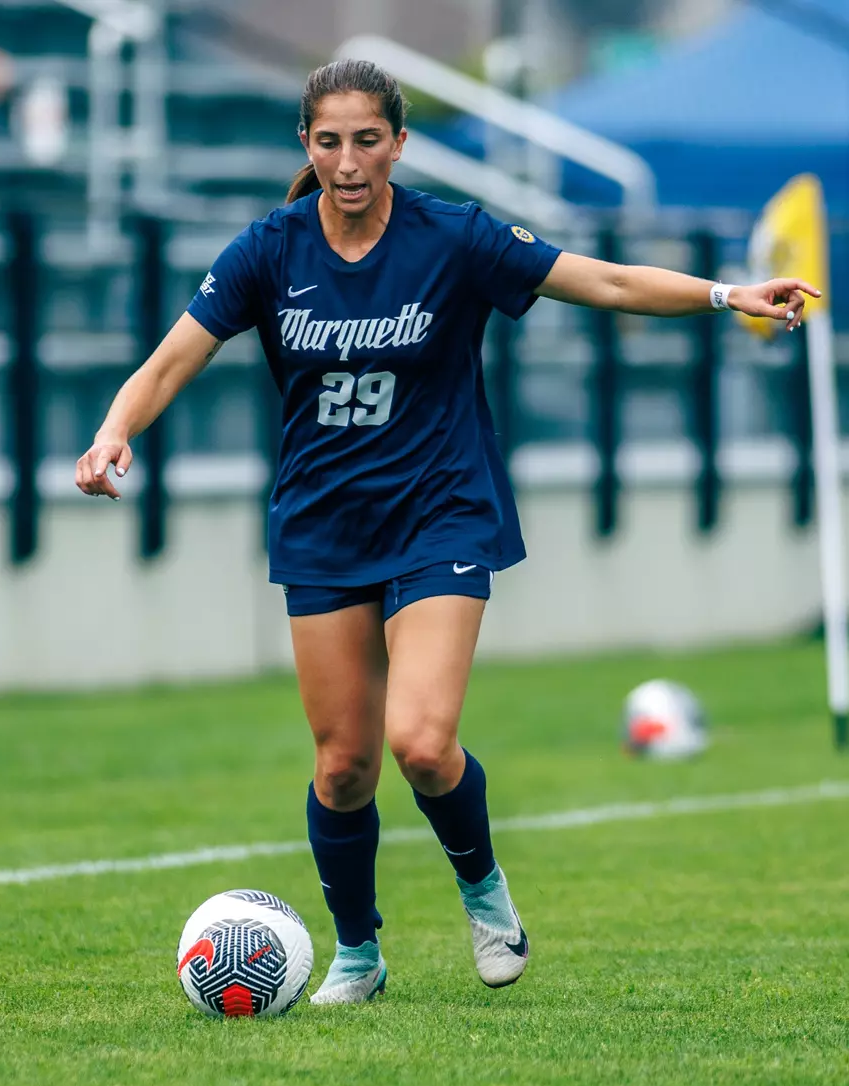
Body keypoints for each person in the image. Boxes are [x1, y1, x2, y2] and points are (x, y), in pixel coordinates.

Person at [75, 59, 820, 1005]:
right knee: (343, 766)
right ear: (306, 144)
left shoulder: (454, 236)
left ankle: (484, 892)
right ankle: (357, 953)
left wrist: (726, 295)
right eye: (329, 141)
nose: (349, 161)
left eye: (368, 139)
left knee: (421, 743)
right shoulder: (268, 250)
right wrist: (110, 434)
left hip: (442, 509)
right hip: (324, 523)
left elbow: (606, 281)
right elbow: (170, 359)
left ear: (397, 142)